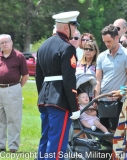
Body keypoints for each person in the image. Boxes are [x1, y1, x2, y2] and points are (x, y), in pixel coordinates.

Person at [36, 11, 80, 160]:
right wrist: (74, 107)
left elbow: (39, 78)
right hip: (60, 100)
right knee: (57, 142)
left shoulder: (42, 46)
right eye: (74, 26)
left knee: (46, 138)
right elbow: (69, 80)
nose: (74, 30)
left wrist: (42, 97)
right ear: (67, 27)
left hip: (45, 98)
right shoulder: (67, 47)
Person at [95, 24, 127, 132]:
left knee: (116, 133)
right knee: (103, 134)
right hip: (103, 101)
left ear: (116, 38)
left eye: (109, 41)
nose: (107, 44)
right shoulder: (101, 56)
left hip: (119, 102)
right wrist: (96, 98)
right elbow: (98, 80)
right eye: (105, 42)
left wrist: (120, 93)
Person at [0, 34, 29, 153]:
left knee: (13, 119)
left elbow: (26, 75)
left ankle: (13, 146)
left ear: (11, 42)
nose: (4, 44)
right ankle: (1, 145)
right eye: (2, 43)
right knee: (0, 119)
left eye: (6, 42)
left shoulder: (19, 56)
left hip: (13, 88)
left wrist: (17, 87)